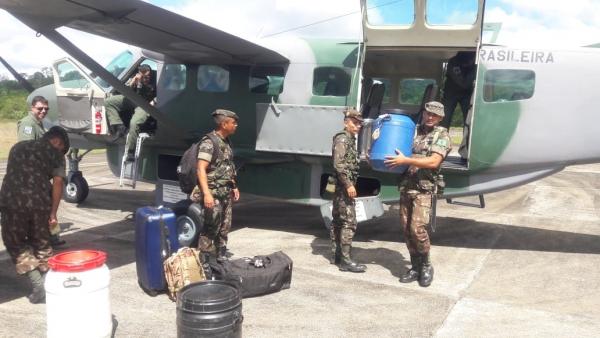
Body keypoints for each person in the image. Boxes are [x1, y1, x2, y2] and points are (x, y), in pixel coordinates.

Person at [384, 101, 451, 287]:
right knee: (406, 230)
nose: (430, 117)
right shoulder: (412, 130)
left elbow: (433, 162)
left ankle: (426, 266)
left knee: (417, 229)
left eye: (434, 115)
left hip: (424, 189)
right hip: (407, 186)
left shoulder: (442, 135)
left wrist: (406, 160)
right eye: (428, 113)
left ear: (440, 118)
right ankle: (415, 266)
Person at [0, 126, 69, 303]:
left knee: (14, 242)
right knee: (42, 242)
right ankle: (47, 283)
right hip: (40, 202)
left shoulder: (18, 146)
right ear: (57, 142)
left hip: (12, 200)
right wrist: (53, 212)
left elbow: (12, 174)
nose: (61, 151)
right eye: (63, 148)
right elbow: (58, 183)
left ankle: (37, 281)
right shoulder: (57, 156)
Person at [191, 109, 240, 262]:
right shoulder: (209, 142)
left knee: (224, 227)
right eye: (233, 122)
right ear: (224, 124)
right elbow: (201, 169)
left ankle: (220, 257)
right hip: (213, 193)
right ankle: (204, 261)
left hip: (224, 192)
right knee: (211, 228)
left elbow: (227, 166)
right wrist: (207, 194)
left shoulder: (226, 141)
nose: (236, 125)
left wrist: (234, 186)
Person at [16, 96, 66, 247]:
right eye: (39, 108)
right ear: (32, 108)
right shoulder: (28, 123)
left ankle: (51, 235)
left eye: (46, 109)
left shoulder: (40, 124)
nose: (43, 111)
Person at [330, 108, 367, 273]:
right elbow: (339, 165)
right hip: (343, 188)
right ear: (346, 122)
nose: (357, 126)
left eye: (359, 123)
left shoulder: (350, 139)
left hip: (340, 187)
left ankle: (338, 255)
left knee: (338, 220)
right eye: (354, 122)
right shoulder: (343, 139)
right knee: (349, 222)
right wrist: (349, 184)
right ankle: (345, 260)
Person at [105, 64, 156, 160]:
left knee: (134, 123)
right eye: (143, 77)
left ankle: (130, 151)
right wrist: (133, 82)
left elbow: (165, 90)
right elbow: (125, 92)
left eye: (148, 77)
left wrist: (154, 101)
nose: (146, 79)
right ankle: (119, 127)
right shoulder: (136, 78)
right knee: (109, 102)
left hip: (146, 105)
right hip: (134, 100)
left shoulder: (157, 78)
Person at [441, 51, 476, 130]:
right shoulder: (453, 62)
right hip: (451, 93)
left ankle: (467, 140)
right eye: (472, 60)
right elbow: (464, 83)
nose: (473, 61)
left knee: (469, 119)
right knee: (444, 118)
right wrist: (473, 70)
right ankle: (441, 137)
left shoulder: (475, 63)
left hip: (467, 93)